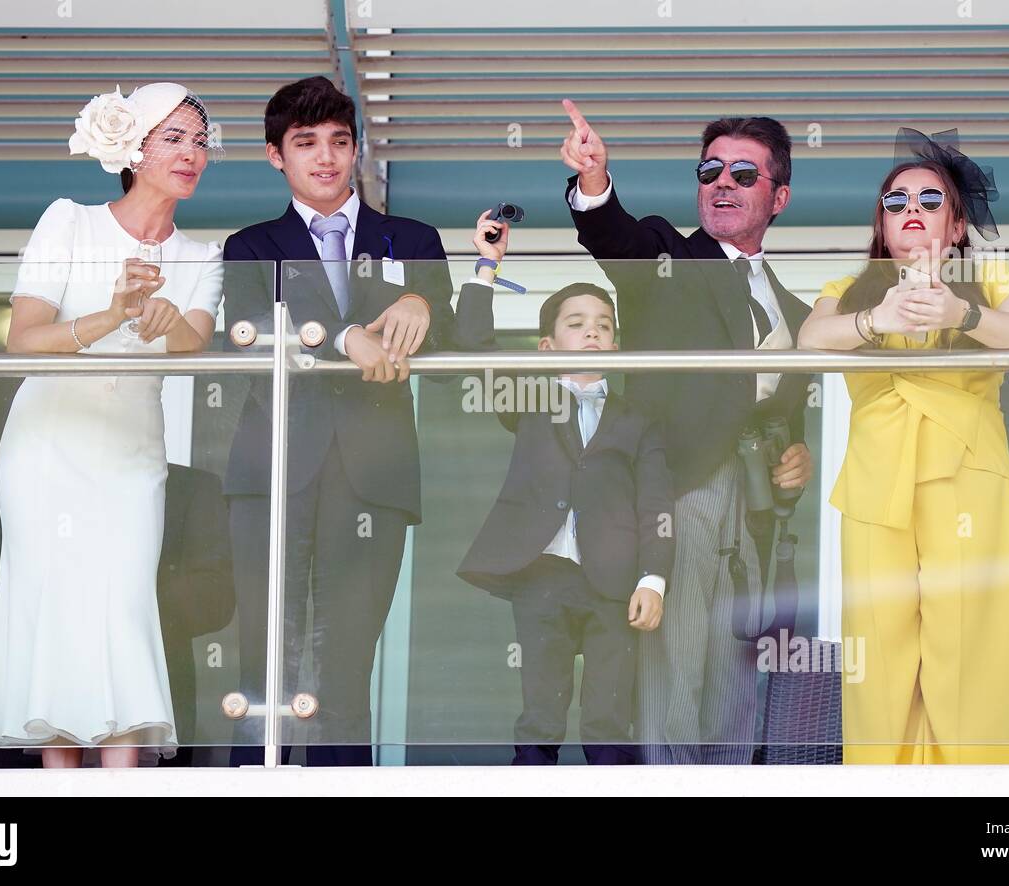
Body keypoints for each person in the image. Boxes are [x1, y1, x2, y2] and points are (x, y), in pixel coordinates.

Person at [0, 83, 225, 768]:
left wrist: (164, 322)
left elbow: (194, 342)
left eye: (201, 141)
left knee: (122, 611)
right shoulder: (70, 221)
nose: (192, 153)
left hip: (131, 457)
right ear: (133, 149)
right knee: (55, 613)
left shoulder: (203, 254)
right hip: (48, 446)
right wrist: (111, 316)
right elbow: (23, 340)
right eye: (174, 138)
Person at [560, 100, 814, 763]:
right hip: (675, 493)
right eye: (709, 170)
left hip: (755, 514)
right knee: (672, 681)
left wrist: (796, 461)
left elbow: (790, 417)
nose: (721, 182)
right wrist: (593, 185)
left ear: (779, 195)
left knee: (734, 684)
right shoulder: (666, 256)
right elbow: (614, 238)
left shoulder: (795, 308)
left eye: (742, 172)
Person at [221, 77, 455, 767]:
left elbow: (452, 335)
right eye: (305, 144)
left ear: (355, 149)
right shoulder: (252, 245)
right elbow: (246, 328)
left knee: (349, 670)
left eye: (338, 142)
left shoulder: (411, 238)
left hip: (372, 477)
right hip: (272, 477)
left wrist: (423, 303)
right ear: (275, 156)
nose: (325, 157)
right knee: (265, 667)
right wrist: (336, 336)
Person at [797, 127, 1009, 764]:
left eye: (930, 201)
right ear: (880, 225)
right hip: (876, 482)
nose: (912, 210)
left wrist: (960, 317)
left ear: (957, 226)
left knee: (968, 652)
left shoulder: (990, 277)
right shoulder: (848, 289)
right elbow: (809, 343)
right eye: (896, 201)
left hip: (966, 475)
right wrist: (872, 321)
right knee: (877, 656)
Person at [454, 214, 675, 764]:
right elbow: (473, 347)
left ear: (616, 345)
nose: (593, 331)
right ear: (548, 347)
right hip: (543, 576)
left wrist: (654, 578)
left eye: (604, 324)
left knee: (608, 716)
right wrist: (487, 267)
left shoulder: (636, 419)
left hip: (614, 583)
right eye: (577, 324)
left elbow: (656, 506)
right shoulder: (528, 398)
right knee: (541, 712)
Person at [0, 463, 235, 767]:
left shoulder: (192, 488)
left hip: (148, 724)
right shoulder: (32, 487)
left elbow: (217, 599)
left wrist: (120, 603)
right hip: (34, 724)